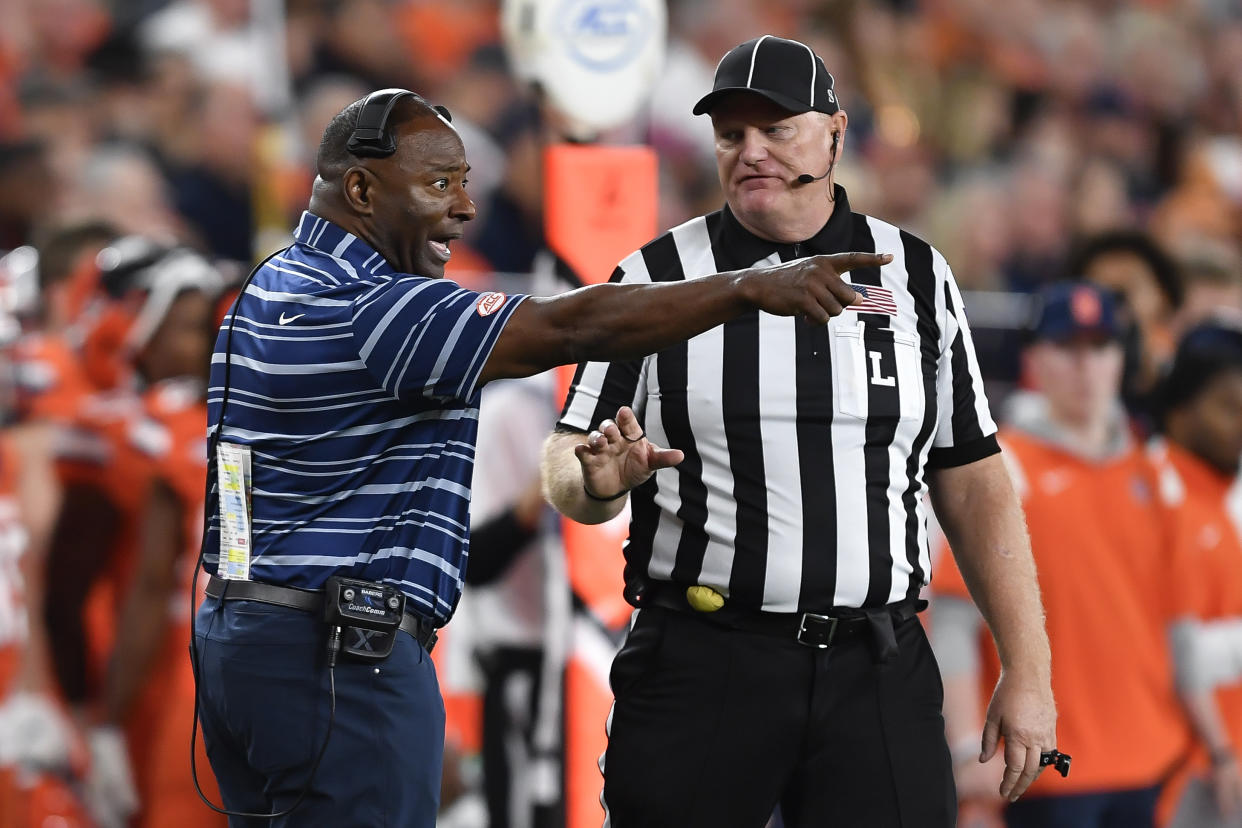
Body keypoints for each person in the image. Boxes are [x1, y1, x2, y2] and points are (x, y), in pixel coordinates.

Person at [193, 87, 886, 828]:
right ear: (360, 188)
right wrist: (748, 285)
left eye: (465, 184)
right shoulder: (374, 308)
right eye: (438, 185)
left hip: (247, 634)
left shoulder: (272, 284)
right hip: (335, 656)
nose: (463, 209)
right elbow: (570, 326)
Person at [540, 35, 1056, 828]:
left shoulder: (917, 273)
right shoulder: (655, 275)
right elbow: (570, 464)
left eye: (777, 128)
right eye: (731, 133)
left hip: (875, 665)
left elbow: (973, 472)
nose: (751, 151)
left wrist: (1027, 665)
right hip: (706, 659)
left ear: (835, 135)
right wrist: (596, 485)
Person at [930, 282, 1193, 828]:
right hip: (1043, 765)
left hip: (1151, 756)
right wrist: (964, 749)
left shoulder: (1154, 472)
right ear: (1033, 359)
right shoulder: (1002, 470)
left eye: (1100, 347)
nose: (1085, 367)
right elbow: (954, 618)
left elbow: (1176, 621)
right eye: (1066, 347)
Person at [1154, 320, 1242, 828]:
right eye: (1228, 406)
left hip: (1222, 757)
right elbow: (1160, 646)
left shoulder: (1219, 492)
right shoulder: (1158, 492)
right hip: (1181, 763)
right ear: (1180, 409)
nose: (1240, 422)